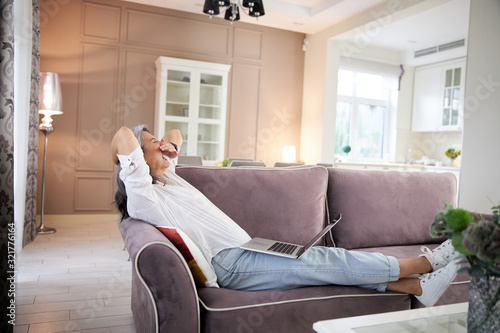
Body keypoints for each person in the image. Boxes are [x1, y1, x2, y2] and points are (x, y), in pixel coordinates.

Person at [112, 124, 463, 307]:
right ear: (135, 163)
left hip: (249, 248)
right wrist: (144, 144)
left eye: (160, 142)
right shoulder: (144, 196)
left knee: (325, 265)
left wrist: (161, 142)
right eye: (152, 145)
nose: (163, 145)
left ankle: (418, 287)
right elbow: (122, 135)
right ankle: (422, 265)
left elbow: (175, 135)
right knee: (326, 260)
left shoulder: (168, 177)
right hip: (231, 263)